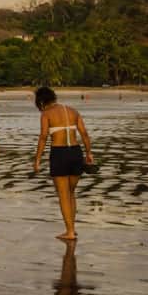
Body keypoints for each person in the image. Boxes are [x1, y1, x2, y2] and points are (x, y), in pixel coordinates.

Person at [33, 86, 94, 241]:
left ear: (41, 102)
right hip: (75, 152)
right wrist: (88, 153)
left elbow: (43, 137)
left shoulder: (46, 114)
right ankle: (72, 228)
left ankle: (70, 232)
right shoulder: (72, 111)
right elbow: (84, 133)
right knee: (71, 193)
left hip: (59, 153)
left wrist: (37, 159)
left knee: (63, 195)